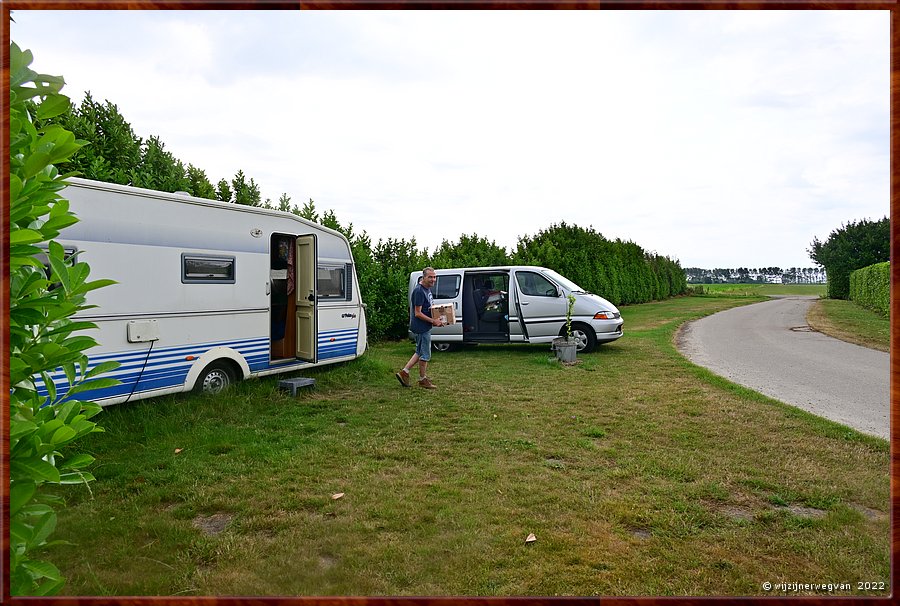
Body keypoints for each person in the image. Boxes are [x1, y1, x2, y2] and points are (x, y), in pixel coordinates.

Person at [396, 267, 445, 389]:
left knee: (419, 352)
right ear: (423, 278)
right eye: (430, 277)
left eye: (434, 277)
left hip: (425, 325)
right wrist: (433, 321)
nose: (433, 279)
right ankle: (423, 380)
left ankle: (404, 372)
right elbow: (417, 313)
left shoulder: (427, 289)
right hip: (421, 327)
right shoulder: (419, 291)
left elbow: (427, 309)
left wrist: (437, 318)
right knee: (425, 354)